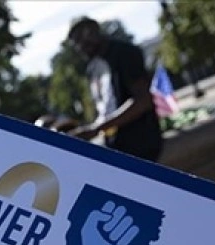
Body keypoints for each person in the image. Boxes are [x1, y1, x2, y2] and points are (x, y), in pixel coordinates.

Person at [66, 18, 164, 162]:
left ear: (94, 31)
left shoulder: (125, 53)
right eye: (76, 44)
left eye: (82, 40)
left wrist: (96, 128)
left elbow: (143, 101)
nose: (80, 47)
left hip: (141, 148)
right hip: (116, 147)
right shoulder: (93, 68)